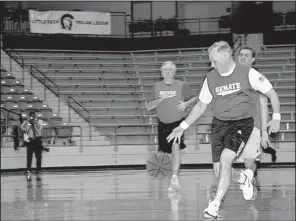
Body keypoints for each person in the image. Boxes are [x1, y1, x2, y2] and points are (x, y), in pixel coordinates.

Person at [167, 41, 281, 219]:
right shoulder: (211, 78)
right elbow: (201, 106)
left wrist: (276, 117)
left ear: (226, 57)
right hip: (219, 125)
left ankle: (214, 205)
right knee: (220, 169)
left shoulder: (247, 73)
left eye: (213, 61)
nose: (211, 64)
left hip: (242, 124)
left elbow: (271, 92)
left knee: (226, 159)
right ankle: (243, 179)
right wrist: (182, 127)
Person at [146, 61, 197, 191]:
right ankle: (170, 175)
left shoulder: (181, 85)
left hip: (177, 122)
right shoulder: (156, 86)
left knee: (175, 147)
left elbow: (195, 98)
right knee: (165, 153)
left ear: (174, 72)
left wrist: (186, 104)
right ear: (161, 73)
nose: (168, 72)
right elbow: (148, 106)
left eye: (170, 69)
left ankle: (174, 177)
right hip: (162, 123)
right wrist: (159, 99)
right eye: (165, 70)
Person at [236, 46, 277, 177]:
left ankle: (249, 178)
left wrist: (264, 132)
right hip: (231, 124)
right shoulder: (229, 75)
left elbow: (264, 104)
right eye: (241, 54)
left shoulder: (255, 77)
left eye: (246, 55)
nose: (242, 57)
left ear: (253, 59)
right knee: (222, 160)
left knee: (249, 162)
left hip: (251, 125)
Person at [21, 111, 45, 182]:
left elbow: (39, 128)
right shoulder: (27, 122)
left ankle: (38, 170)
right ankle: (28, 170)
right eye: (31, 115)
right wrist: (26, 121)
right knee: (29, 156)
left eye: (33, 115)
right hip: (30, 140)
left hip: (37, 140)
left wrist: (34, 122)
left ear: (35, 115)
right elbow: (23, 128)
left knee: (39, 156)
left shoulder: (39, 121)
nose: (32, 116)